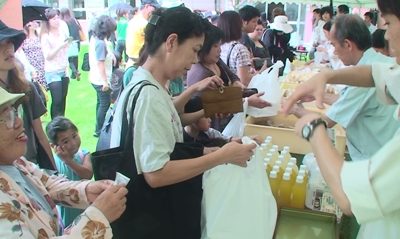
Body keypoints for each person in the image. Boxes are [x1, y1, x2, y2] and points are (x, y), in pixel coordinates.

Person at [110, 7, 256, 238]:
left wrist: (210, 149)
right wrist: (221, 156)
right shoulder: (149, 95)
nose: (195, 59)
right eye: (195, 50)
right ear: (171, 42)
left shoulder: (153, 86)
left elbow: (168, 138)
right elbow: (156, 173)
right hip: (151, 220)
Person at [281, 0, 400, 237]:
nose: (386, 36)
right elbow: (377, 75)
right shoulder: (384, 65)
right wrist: (327, 77)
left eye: (387, 24)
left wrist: (313, 127)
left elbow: (349, 199)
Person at [0, 87, 128, 238]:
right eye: (7, 116)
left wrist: (87, 190)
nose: (19, 121)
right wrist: (98, 217)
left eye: (15, 112)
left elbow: (46, 185)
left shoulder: (17, 163)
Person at [187, 24, 271, 130]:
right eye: (215, 46)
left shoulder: (215, 61)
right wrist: (247, 101)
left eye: (220, 45)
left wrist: (236, 82)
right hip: (212, 127)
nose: (219, 50)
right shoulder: (200, 73)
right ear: (204, 46)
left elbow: (231, 75)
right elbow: (215, 104)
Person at [0, 20, 56, 170]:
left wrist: (53, 170)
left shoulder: (27, 87)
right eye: (0, 44)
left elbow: (40, 134)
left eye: (9, 42)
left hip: (33, 168)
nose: (8, 49)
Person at [46, 116, 93, 228]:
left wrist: (67, 160)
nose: (73, 143)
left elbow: (88, 174)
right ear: (54, 146)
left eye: (74, 136)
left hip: (86, 214)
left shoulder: (84, 155)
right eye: (66, 141)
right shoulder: (52, 163)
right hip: (65, 219)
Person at [183, 96, 261, 145]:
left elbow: (227, 140)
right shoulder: (181, 140)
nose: (210, 120)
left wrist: (247, 138)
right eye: (205, 117)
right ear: (193, 119)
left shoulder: (209, 133)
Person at [89, 15, 117, 138]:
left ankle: (98, 128)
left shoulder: (97, 38)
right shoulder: (100, 43)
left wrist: (112, 55)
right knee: (104, 104)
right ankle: (99, 130)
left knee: (100, 103)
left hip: (96, 78)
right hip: (100, 79)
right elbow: (100, 62)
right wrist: (105, 82)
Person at [41, 8, 71, 120]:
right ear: (48, 21)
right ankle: (55, 122)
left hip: (63, 69)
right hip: (52, 71)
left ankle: (61, 120)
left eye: (58, 18)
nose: (57, 20)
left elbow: (65, 49)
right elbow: (48, 56)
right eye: (54, 19)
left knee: (63, 98)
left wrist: (67, 44)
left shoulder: (62, 32)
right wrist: (60, 46)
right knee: (57, 99)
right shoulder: (46, 36)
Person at [218, 11, 261, 86]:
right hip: (239, 92)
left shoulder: (219, 46)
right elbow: (244, 81)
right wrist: (261, 72)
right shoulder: (240, 49)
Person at [125, 0, 160, 67]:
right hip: (140, 64)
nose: (155, 11)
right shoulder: (144, 24)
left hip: (130, 63)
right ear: (147, 6)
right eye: (154, 8)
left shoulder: (133, 20)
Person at [21, 20, 47, 90]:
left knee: (43, 88)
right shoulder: (24, 39)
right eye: (33, 22)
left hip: (41, 64)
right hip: (31, 64)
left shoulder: (39, 37)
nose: (35, 24)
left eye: (35, 22)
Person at [60, 8, 82, 80]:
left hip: (69, 41)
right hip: (77, 41)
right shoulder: (74, 20)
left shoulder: (63, 22)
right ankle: (74, 74)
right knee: (75, 58)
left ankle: (75, 71)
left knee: (69, 59)